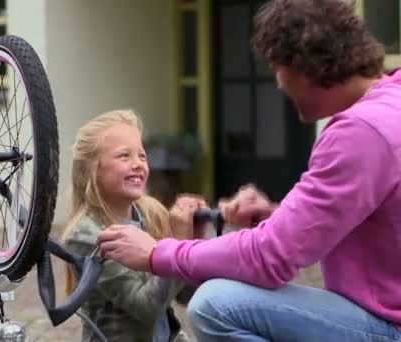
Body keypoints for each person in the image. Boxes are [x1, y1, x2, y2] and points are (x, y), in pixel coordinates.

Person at [96, 0, 401, 341]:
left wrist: (157, 253)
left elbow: (271, 258)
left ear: (304, 66)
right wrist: (281, 215)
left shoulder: (360, 132)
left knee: (216, 304)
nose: (279, 86)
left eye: (277, 69)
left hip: (387, 326)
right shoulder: (391, 103)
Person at [61, 109, 205, 341]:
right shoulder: (86, 235)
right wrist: (177, 242)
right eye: (124, 156)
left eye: (142, 156)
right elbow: (146, 307)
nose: (137, 164)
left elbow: (186, 296)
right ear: (93, 170)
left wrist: (191, 244)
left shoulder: (150, 214)